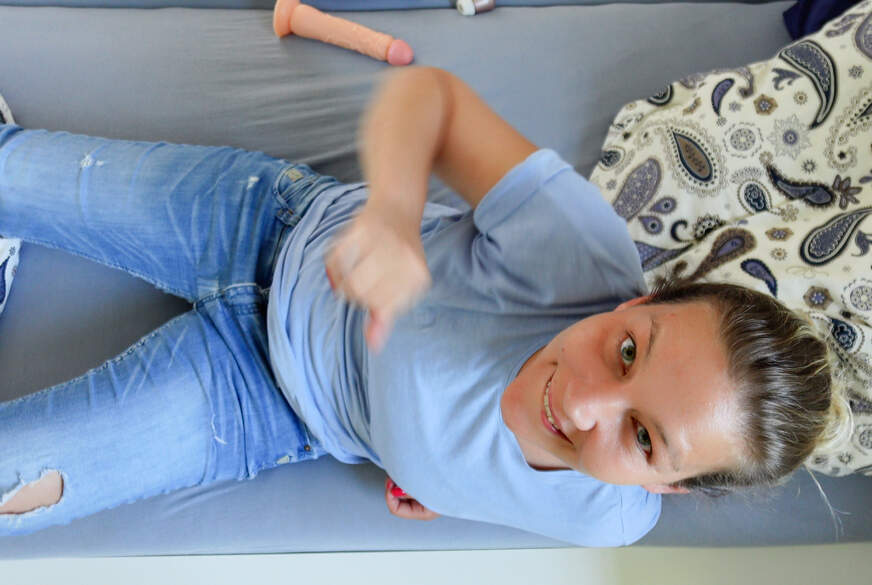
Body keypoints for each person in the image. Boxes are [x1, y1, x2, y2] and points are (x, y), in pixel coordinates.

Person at [0, 67, 850, 546]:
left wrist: (437, 478)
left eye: (643, 437)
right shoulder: (578, 250)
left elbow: (498, 471)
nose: (581, 398)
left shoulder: (606, 517)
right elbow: (430, 98)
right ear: (641, 297)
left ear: (671, 488)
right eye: (628, 349)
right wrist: (396, 213)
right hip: (262, 226)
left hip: (261, 407)